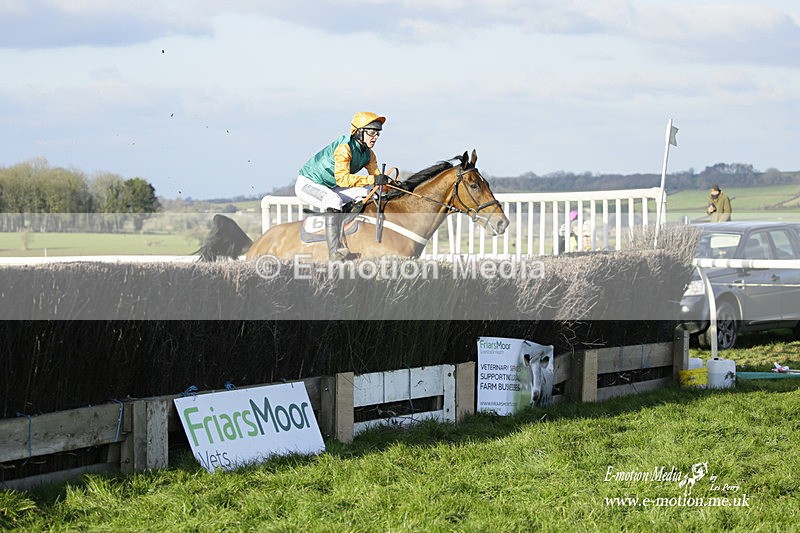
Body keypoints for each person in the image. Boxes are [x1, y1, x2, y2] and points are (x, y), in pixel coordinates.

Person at [295, 112, 390, 260]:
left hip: (330, 186)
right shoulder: (344, 148)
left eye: (378, 133)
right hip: (308, 183)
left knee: (365, 192)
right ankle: (334, 252)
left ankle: (352, 234)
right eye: (371, 132)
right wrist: (373, 179)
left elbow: (376, 179)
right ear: (358, 132)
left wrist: (390, 185)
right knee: (333, 200)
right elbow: (343, 180)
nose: (375, 137)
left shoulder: (369, 154)